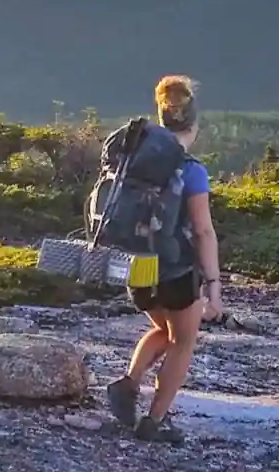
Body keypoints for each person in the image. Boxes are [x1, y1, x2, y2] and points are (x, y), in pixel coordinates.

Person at [104, 75, 224, 443]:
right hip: (175, 270)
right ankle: (154, 422)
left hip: (136, 264)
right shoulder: (190, 169)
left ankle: (127, 384)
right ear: (194, 124)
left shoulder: (136, 157)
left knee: (164, 329)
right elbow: (203, 231)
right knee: (184, 340)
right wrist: (214, 291)